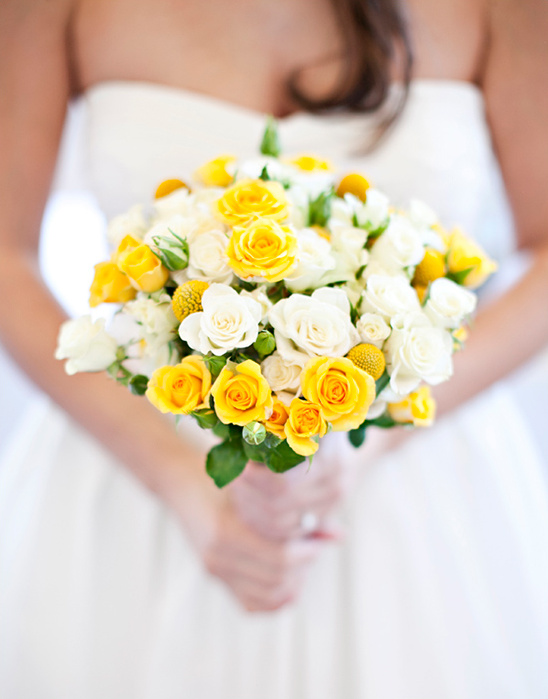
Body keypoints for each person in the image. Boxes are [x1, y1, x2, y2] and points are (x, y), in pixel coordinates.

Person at [1, 0, 547, 697]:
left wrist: (377, 433)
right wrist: (181, 476)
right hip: (131, 473)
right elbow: (5, 252)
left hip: (418, 490)